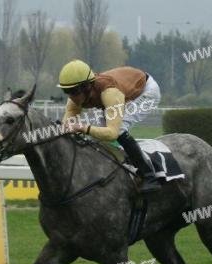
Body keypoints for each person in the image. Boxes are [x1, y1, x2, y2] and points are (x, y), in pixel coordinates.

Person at [57, 59, 161, 193]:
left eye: (74, 91)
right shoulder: (76, 96)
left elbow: (112, 134)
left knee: (119, 130)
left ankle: (149, 176)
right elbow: (67, 125)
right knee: (97, 135)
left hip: (145, 91)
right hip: (122, 90)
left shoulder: (110, 93)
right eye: (67, 91)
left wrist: (83, 128)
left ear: (86, 87)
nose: (71, 97)